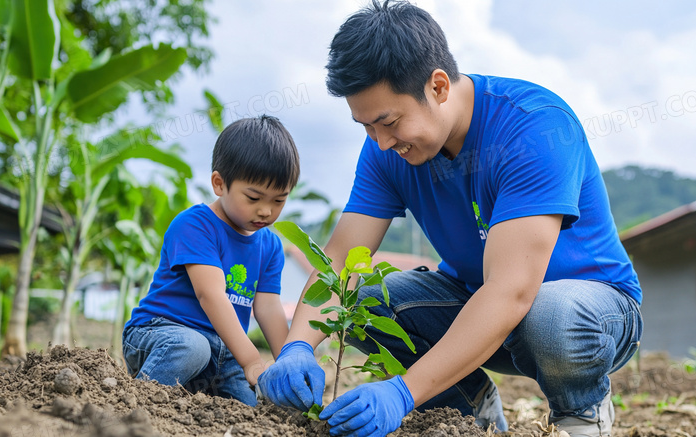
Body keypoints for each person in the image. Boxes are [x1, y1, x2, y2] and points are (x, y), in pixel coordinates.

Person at [257, 1, 643, 436]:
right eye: (366, 127)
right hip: (477, 305)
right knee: (361, 300)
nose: (381, 142)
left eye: (389, 122)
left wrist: (403, 392)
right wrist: (296, 347)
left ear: (438, 86)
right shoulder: (388, 153)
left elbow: (511, 291)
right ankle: (466, 410)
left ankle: (581, 411)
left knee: (549, 315)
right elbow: (341, 261)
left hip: (588, 316)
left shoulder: (533, 128)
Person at [123, 115, 299, 406]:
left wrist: (290, 361)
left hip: (223, 349)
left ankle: (186, 393)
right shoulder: (195, 225)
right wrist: (252, 360)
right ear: (219, 184)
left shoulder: (270, 245)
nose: (266, 211)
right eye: (254, 198)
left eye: (279, 200)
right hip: (160, 334)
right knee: (192, 348)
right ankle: (136, 402)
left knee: (250, 404)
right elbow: (211, 295)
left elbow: (268, 307)